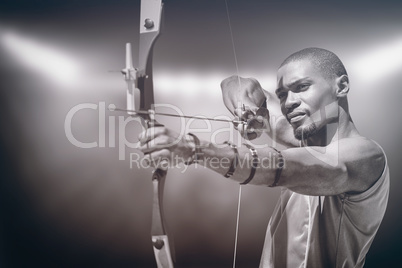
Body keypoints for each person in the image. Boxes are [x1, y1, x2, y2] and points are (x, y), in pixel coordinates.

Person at [139, 48, 389, 267]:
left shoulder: (366, 156)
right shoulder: (301, 138)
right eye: (282, 94)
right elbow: (236, 82)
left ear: (341, 86)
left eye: (302, 87)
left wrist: (193, 148)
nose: (289, 102)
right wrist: (244, 105)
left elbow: (283, 167)